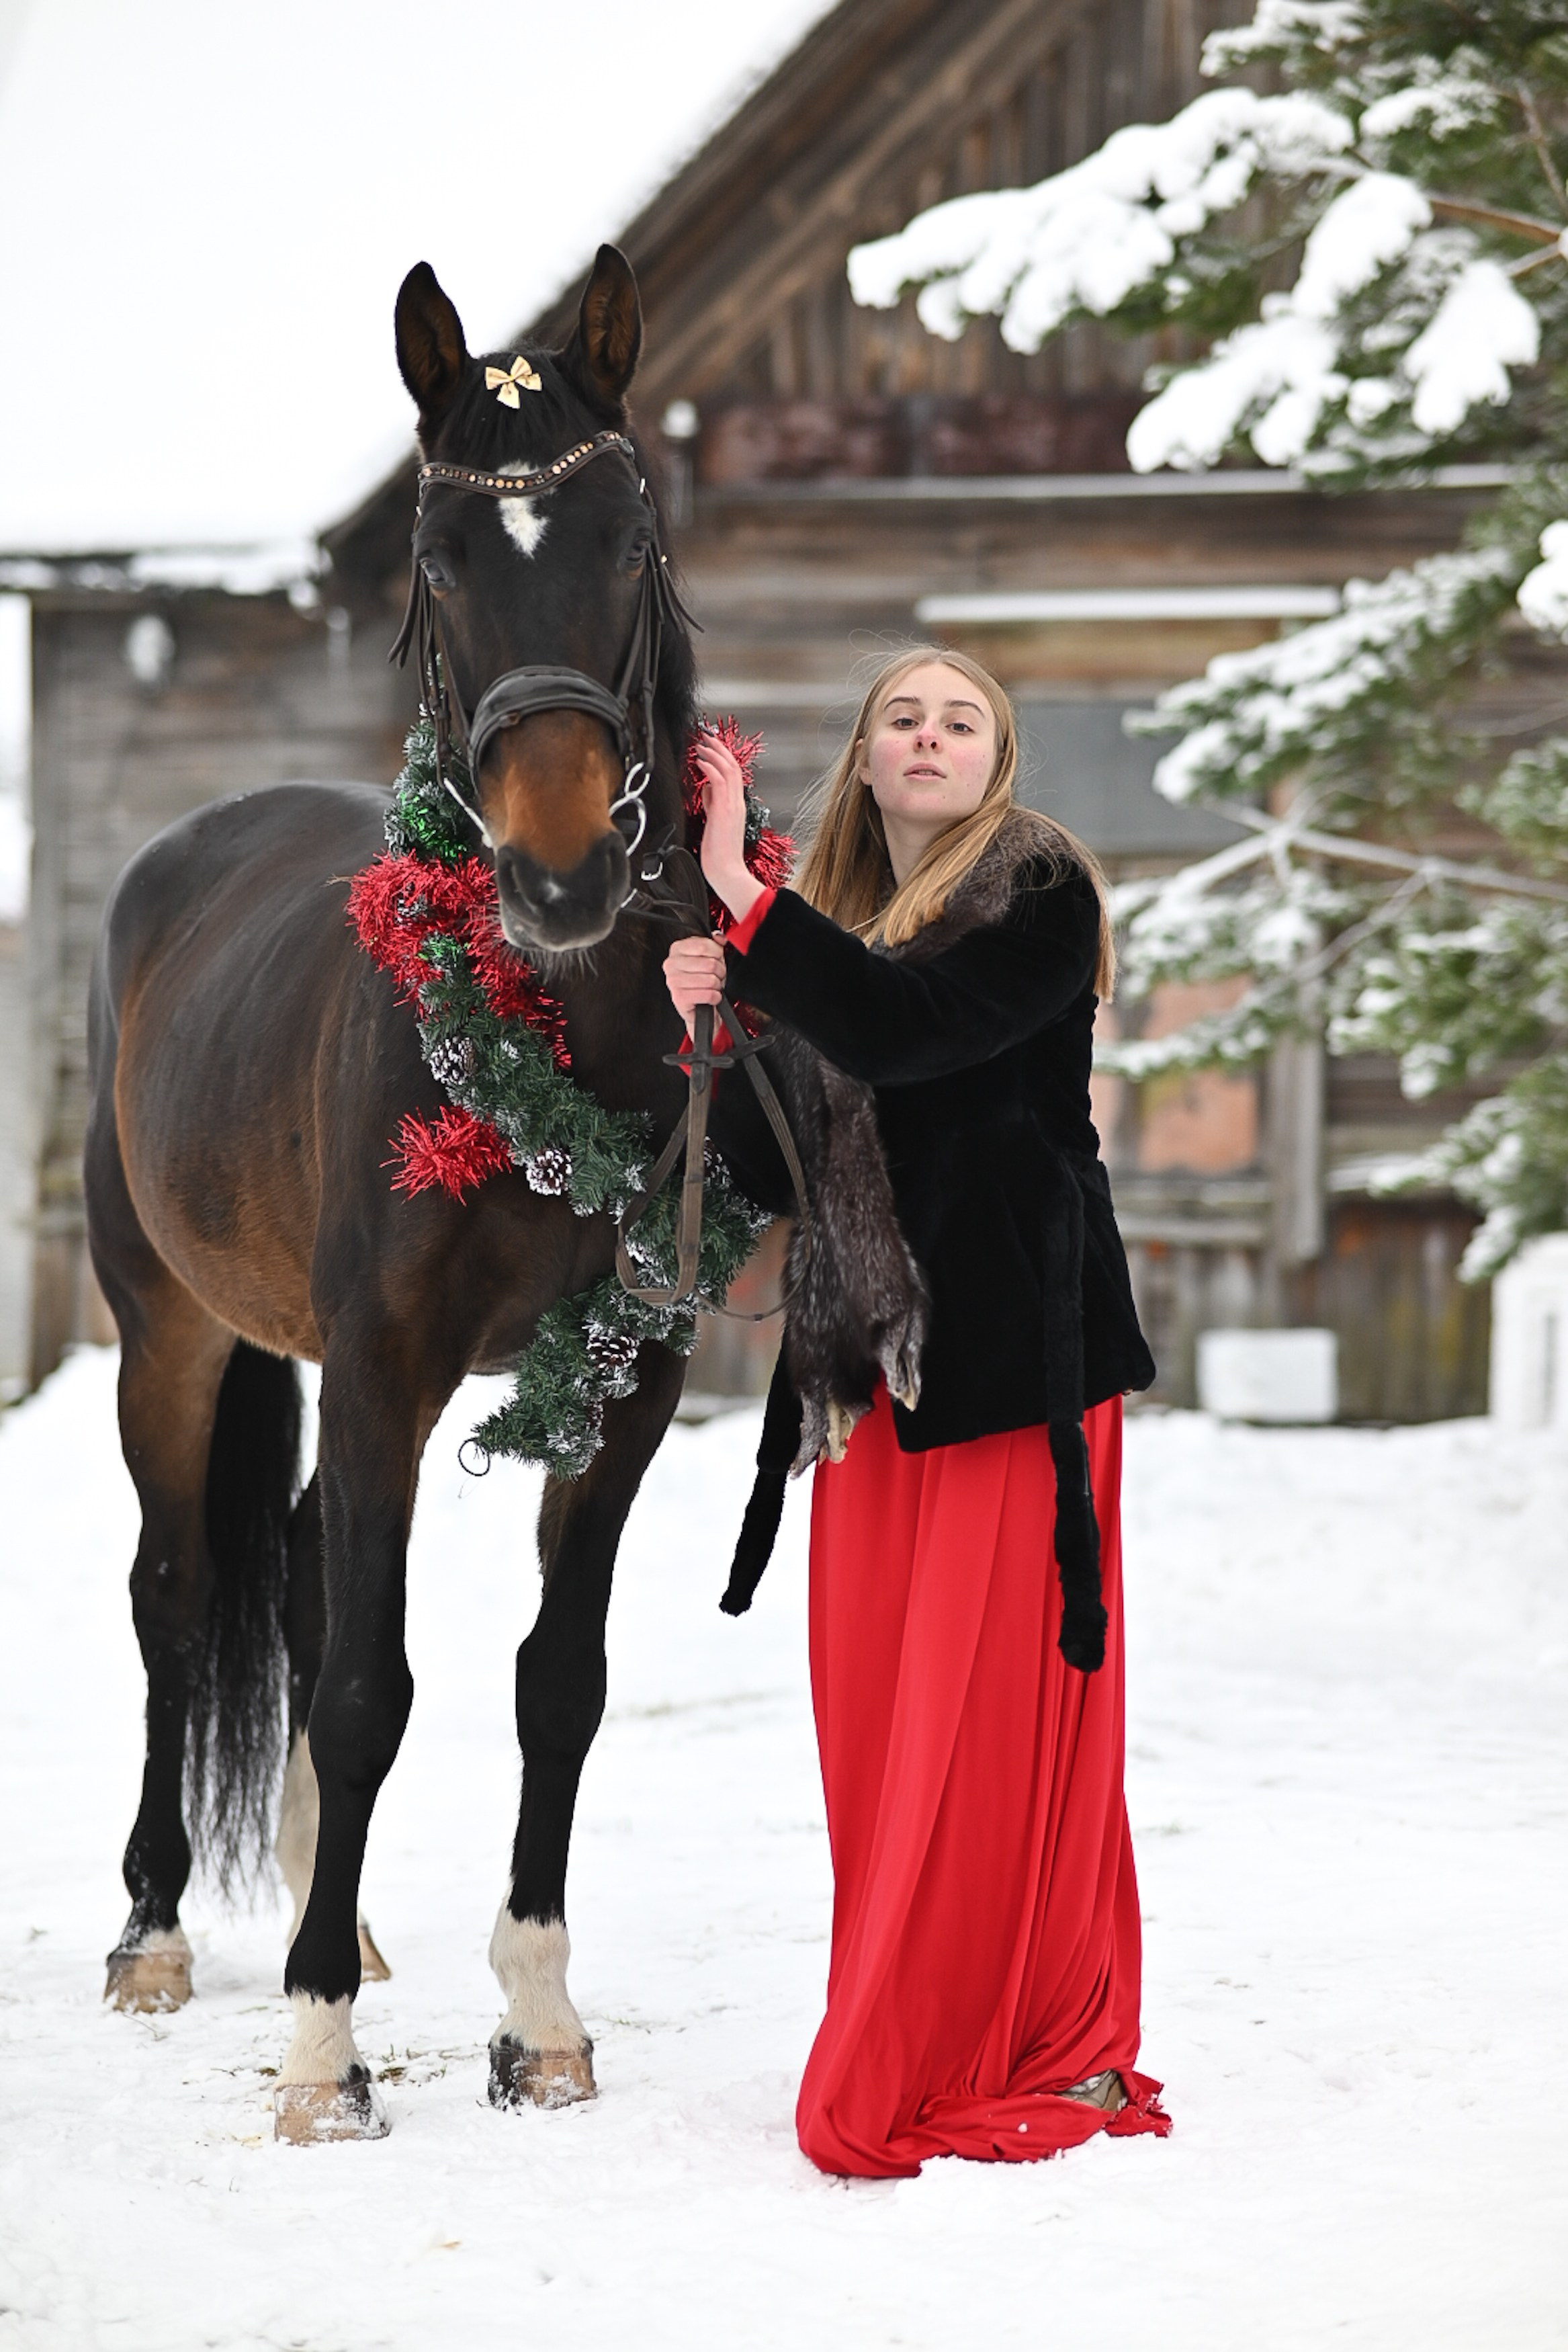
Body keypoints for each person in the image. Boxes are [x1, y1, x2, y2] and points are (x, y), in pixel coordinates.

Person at [664, 648, 1168, 2180]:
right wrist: (716, 1025)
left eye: (962, 720)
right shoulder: (834, 928)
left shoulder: (1038, 889)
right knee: (886, 1729)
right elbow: (780, 1158)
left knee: (990, 1721)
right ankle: (923, 2008)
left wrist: (740, 899)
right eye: (904, 717)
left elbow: (910, 1030)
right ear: (869, 757)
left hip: (1013, 1373)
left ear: (993, 759)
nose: (931, 736)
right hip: (869, 1378)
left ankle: (1023, 2033)